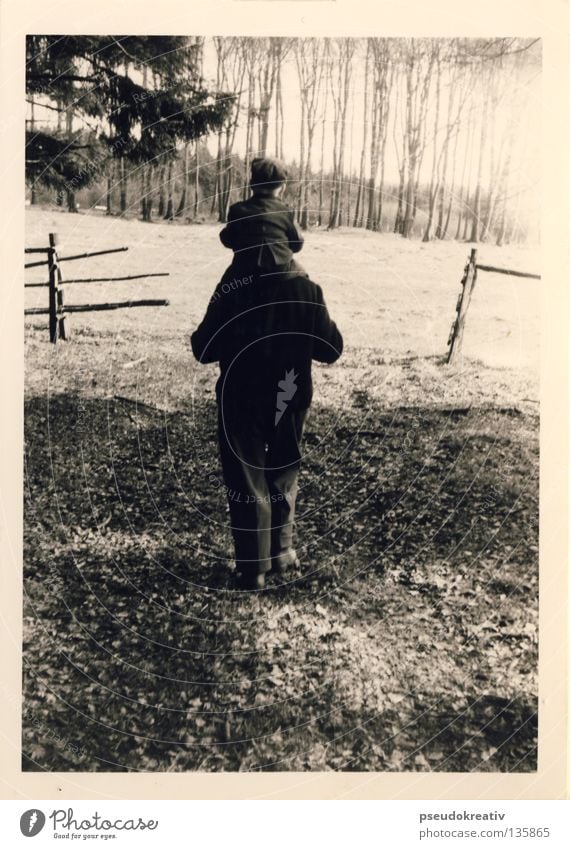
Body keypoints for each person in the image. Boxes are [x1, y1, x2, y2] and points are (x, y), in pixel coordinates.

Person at [191, 160, 343, 591]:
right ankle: (283, 553)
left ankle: (252, 569)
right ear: (287, 238)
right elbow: (331, 349)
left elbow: (204, 349)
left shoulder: (231, 287)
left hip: (239, 393)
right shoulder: (306, 287)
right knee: (283, 468)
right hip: (289, 392)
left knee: (246, 476)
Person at [217, 157, 309, 285]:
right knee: (307, 288)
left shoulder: (237, 210)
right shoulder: (285, 211)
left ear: (251, 185)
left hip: (244, 272)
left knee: (220, 296)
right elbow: (297, 244)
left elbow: (227, 240)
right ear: (282, 187)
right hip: (281, 272)